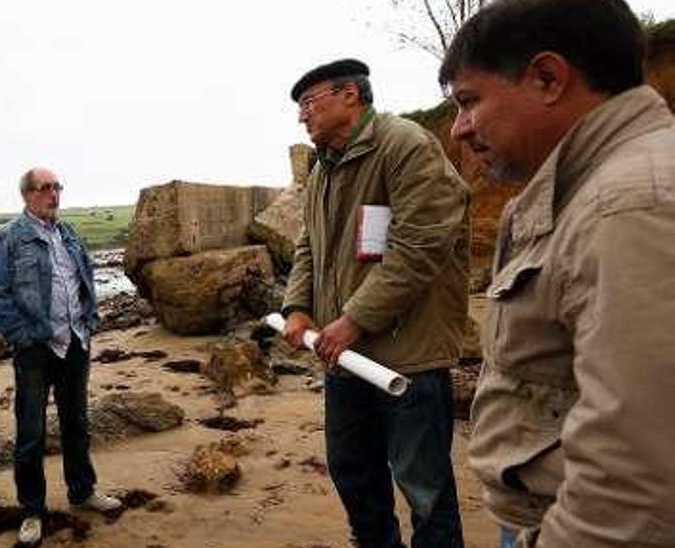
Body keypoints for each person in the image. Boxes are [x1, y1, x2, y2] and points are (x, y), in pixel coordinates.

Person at [439, 1, 675, 546]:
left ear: (547, 77)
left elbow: (636, 486)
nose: (458, 130)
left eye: (469, 101)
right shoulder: (592, 194)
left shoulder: (632, 207)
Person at [280, 59, 471, 547]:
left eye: (309, 103)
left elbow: (421, 244)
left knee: (425, 491)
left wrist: (355, 319)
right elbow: (309, 246)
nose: (303, 116)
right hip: (345, 359)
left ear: (350, 96)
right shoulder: (323, 170)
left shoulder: (405, 145)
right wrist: (296, 306)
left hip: (408, 360)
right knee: (355, 480)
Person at [0, 167, 121, 546]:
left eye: (57, 187)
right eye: (45, 188)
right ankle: (32, 510)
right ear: (27, 195)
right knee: (31, 432)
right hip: (35, 350)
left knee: (76, 421)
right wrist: (23, 337)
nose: (54, 195)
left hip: (75, 343)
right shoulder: (8, 239)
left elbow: (85, 280)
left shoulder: (69, 234)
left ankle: (83, 490)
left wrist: (89, 322)